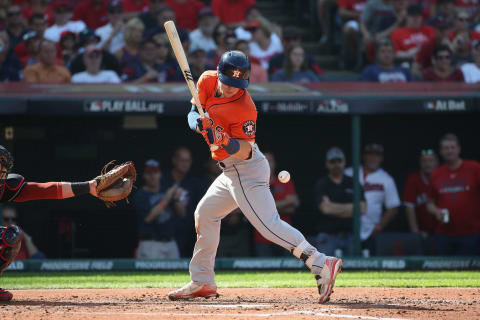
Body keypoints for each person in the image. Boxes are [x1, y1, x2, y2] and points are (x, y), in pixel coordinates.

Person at [168, 50, 342, 303]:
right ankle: (203, 281)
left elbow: (245, 149)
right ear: (219, 74)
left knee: (268, 225)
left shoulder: (245, 105)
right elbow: (192, 112)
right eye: (227, 83)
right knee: (204, 214)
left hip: (246, 169)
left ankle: (320, 262)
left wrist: (222, 138)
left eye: (237, 85)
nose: (231, 89)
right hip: (228, 172)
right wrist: (198, 123)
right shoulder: (205, 80)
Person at [0, 144, 109, 301]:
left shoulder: (5, 188)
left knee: (12, 235)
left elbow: (46, 190)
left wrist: (89, 187)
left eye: (1, 166)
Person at [426, 134, 480, 255]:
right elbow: (429, 203)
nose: (449, 151)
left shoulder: (474, 168)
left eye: (452, 147)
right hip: (444, 234)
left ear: (458, 149)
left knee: (470, 272)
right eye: (446, 148)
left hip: (472, 233)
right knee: (444, 272)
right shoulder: (436, 174)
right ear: (440, 152)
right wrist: (436, 212)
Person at [345, 143, 401, 254]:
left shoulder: (386, 179)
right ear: (364, 156)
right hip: (347, 230)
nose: (372, 158)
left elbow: (393, 207)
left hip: (372, 231)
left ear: (381, 158)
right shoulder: (349, 173)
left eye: (376, 155)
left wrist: (379, 227)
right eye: (370, 154)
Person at [314, 147, 366, 257]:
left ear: (344, 162)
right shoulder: (322, 183)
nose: (336, 164)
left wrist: (333, 207)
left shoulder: (353, 182)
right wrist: (351, 208)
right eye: (332, 162)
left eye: (339, 161)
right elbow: (325, 209)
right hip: (328, 236)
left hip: (350, 235)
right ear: (327, 164)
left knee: (355, 270)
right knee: (324, 268)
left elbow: (362, 208)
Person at [133, 159, 186, 259]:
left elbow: (182, 213)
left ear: (160, 174)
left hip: (170, 242)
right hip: (151, 243)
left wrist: (178, 199)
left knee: (175, 274)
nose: (152, 176)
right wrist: (166, 199)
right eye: (149, 173)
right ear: (144, 175)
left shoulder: (167, 190)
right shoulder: (140, 195)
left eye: (155, 173)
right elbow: (148, 218)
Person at [160, 147, 204, 257]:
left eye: (188, 161)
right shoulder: (162, 180)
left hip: (188, 234)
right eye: (182, 160)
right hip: (164, 235)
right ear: (174, 160)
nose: (185, 164)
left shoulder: (195, 183)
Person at [254, 151, 299, 257]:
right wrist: (287, 202)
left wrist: (266, 208)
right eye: (264, 160)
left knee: (288, 271)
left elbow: (292, 209)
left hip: (285, 237)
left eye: (270, 160)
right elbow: (258, 209)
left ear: (275, 163)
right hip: (263, 238)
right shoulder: (254, 184)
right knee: (264, 272)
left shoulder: (284, 181)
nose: (267, 163)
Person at [403, 149, 439, 236]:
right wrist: (415, 232)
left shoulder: (443, 177)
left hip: (443, 230)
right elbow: (409, 207)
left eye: (431, 160)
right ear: (420, 163)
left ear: (437, 163)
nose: (427, 164)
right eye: (424, 161)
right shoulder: (413, 179)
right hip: (423, 231)